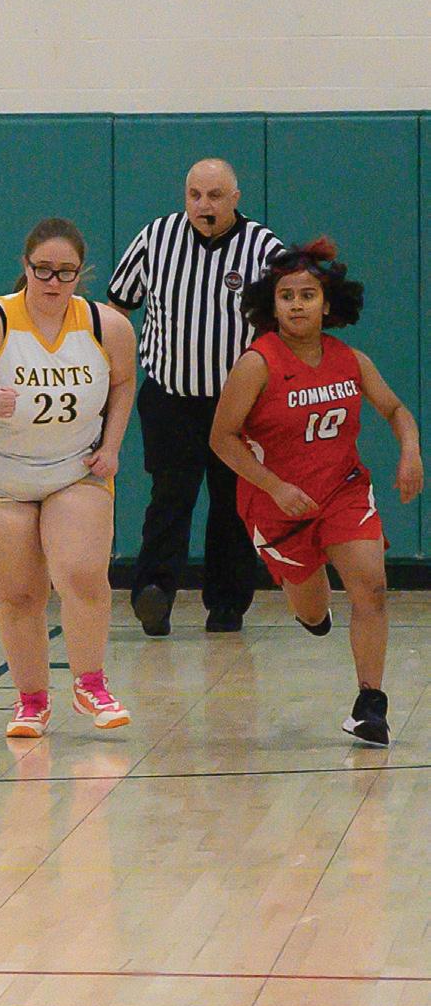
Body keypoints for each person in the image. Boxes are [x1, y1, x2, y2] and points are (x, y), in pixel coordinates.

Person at [209, 239, 421, 745]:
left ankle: (370, 704)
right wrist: (275, 486)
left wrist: (410, 451)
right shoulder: (257, 364)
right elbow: (222, 438)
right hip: (277, 504)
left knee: (370, 585)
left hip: (343, 490)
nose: (298, 305)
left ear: (327, 303)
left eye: (308, 295)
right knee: (309, 608)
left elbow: (395, 410)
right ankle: (312, 609)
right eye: (287, 296)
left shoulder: (351, 360)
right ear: (272, 305)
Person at [0, 219, 137, 738]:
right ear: (25, 267)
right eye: (42, 269)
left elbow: (123, 381)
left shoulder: (107, 326)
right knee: (20, 594)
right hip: (0, 477)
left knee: (82, 574)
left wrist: (112, 446)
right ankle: (31, 701)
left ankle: (91, 683)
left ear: (81, 274)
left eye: (65, 272)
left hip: (75, 470)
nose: (53, 281)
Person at [107, 159, 285, 635]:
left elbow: (287, 319)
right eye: (195, 195)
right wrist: (108, 372)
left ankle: (227, 603)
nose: (203, 205)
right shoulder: (155, 238)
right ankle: (154, 594)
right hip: (170, 396)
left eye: (214, 196)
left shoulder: (265, 248)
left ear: (235, 198)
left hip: (239, 403)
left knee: (232, 503)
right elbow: (117, 307)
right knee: (170, 497)